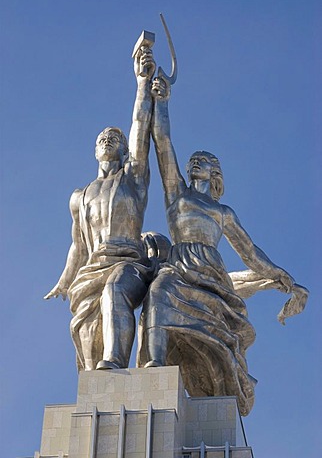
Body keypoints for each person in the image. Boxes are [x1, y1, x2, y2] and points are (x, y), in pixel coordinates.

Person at [137, 77, 301, 416]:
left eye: (204, 159)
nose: (195, 161)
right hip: (178, 265)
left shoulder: (222, 212)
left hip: (210, 274)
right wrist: (162, 101)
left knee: (219, 337)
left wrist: (279, 275)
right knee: (158, 294)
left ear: (216, 174)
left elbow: (250, 253)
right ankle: (153, 364)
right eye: (194, 158)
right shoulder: (177, 194)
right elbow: (162, 142)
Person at [44, 48, 156, 372]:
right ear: (94, 150)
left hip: (130, 264)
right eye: (102, 138)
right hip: (91, 268)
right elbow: (78, 245)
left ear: (124, 150)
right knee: (84, 331)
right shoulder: (79, 196)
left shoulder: (133, 179)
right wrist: (64, 282)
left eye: (114, 138)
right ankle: (100, 377)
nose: (108, 140)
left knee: (116, 288)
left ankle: (116, 363)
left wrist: (142, 82)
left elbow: (139, 126)